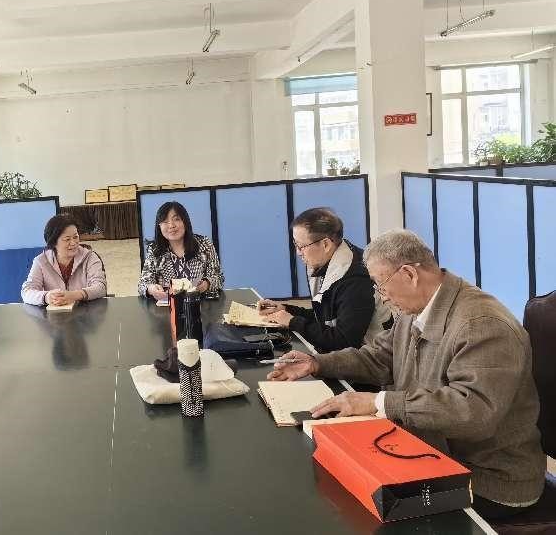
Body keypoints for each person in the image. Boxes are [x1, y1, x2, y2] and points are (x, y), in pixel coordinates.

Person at [269, 230, 545, 521]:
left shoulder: (482, 325)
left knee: (356, 512)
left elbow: (472, 412)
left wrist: (378, 402)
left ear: (409, 274)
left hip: (488, 480)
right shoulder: (417, 309)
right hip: (430, 452)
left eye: (380, 284)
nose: (380, 296)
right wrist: (316, 364)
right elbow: (378, 357)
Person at [257, 207, 389, 352]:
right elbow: (324, 316)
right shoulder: (328, 259)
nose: (298, 253)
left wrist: (292, 321)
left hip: (371, 357)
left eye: (301, 246)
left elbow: (343, 341)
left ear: (326, 244)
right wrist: (286, 309)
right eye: (295, 244)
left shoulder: (355, 280)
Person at [138, 201, 224, 299]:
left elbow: (218, 278)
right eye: (165, 221)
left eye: (176, 219)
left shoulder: (204, 244)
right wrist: (151, 289)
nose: (171, 225)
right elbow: (143, 284)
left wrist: (206, 284)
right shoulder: (154, 249)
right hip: (168, 306)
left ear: (185, 222)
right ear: (159, 226)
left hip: (199, 304)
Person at [21, 214, 107, 306]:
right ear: (54, 242)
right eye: (67, 239)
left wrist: (75, 295)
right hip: (55, 313)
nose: (73, 243)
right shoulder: (41, 261)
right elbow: (27, 291)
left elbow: (101, 287)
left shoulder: (90, 257)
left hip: (87, 311)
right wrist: (46, 297)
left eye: (75, 237)